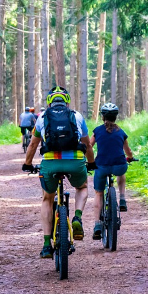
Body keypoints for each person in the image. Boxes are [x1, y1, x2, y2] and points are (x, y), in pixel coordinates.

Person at [22, 86, 96, 258]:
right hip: (75, 163)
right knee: (82, 187)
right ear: (67, 101)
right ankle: (77, 217)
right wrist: (91, 163)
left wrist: (27, 164)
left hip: (51, 164)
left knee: (47, 199)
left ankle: (47, 244)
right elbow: (88, 144)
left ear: (49, 102)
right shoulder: (77, 116)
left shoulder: (42, 117)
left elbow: (33, 144)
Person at [89, 103, 135, 240]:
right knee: (121, 172)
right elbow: (128, 151)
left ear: (102, 116)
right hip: (119, 165)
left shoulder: (97, 131)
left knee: (98, 193)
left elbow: (89, 147)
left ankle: (97, 224)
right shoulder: (121, 132)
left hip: (101, 166)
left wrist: (89, 161)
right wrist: (130, 158)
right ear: (116, 117)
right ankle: (122, 198)